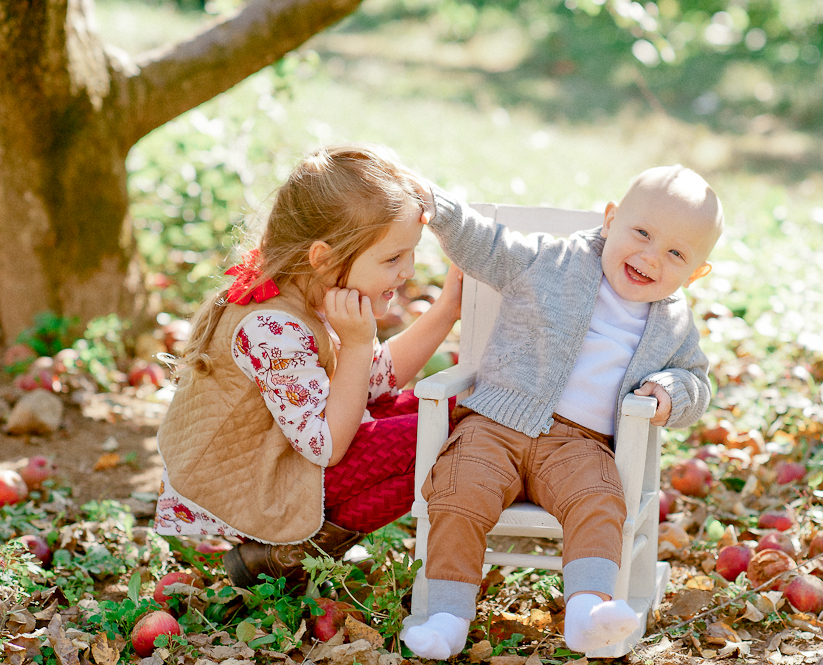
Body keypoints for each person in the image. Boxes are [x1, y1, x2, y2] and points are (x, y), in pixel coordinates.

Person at [401, 165, 723, 657]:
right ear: (611, 219)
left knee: (601, 500)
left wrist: (670, 389)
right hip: (496, 422)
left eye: (676, 253)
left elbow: (697, 381)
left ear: (695, 273)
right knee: (458, 489)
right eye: (641, 233)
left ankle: (587, 613)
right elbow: (487, 244)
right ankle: (447, 616)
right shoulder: (554, 260)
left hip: (581, 443)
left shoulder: (675, 321)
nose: (650, 257)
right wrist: (438, 207)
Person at [154, 143, 462, 591]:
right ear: (323, 258)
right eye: (392, 258)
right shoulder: (271, 327)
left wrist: (447, 309)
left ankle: (285, 554)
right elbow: (326, 446)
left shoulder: (310, 293)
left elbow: (371, 384)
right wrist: (356, 347)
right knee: (444, 430)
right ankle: (288, 554)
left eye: (409, 254)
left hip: (292, 455)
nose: (408, 270)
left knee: (445, 409)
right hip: (258, 484)